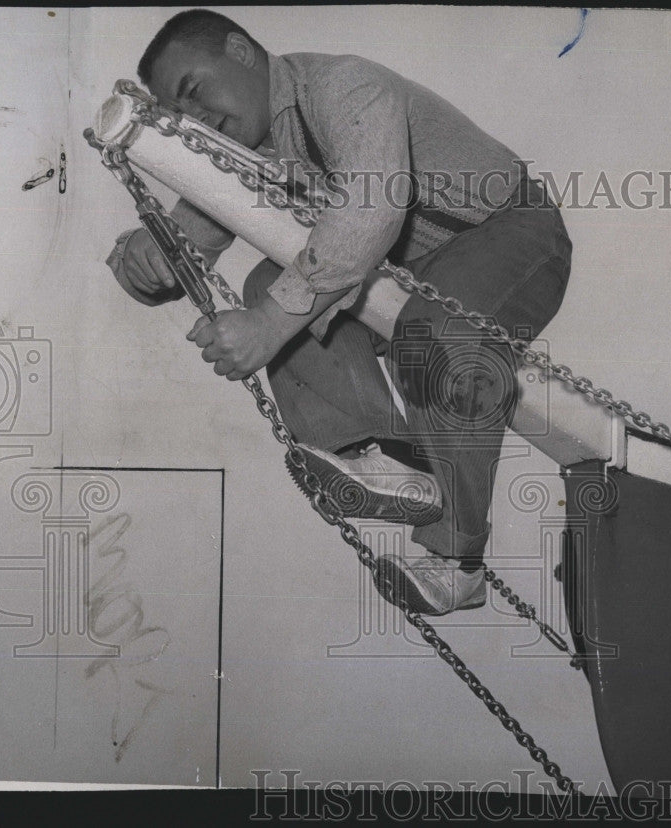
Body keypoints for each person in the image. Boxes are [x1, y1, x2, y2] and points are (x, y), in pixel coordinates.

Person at [106, 9, 572, 615]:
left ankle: (457, 559)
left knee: (419, 326)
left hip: (514, 233)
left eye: (193, 91)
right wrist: (144, 257)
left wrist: (272, 327)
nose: (193, 119)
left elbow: (370, 212)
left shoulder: (344, 87)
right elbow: (181, 252)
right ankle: (387, 458)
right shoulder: (241, 151)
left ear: (241, 51)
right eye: (177, 114)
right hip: (402, 281)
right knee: (267, 279)